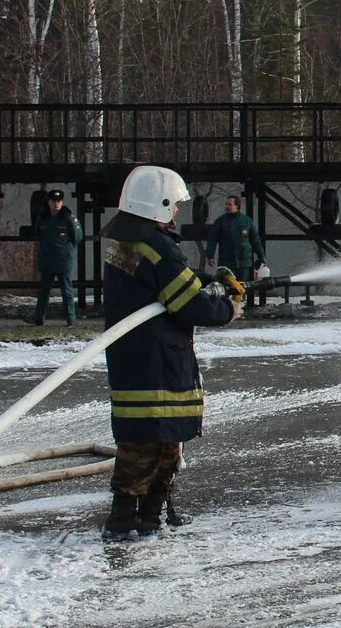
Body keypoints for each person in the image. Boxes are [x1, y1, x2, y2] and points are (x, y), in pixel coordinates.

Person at [102, 165, 240, 540]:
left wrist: (206, 278)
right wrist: (227, 309)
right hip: (160, 361)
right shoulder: (158, 246)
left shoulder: (128, 241)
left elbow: (160, 283)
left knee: (146, 439)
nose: (177, 211)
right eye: (174, 205)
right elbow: (189, 305)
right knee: (155, 444)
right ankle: (129, 519)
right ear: (158, 204)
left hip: (134, 358)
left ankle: (143, 518)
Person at [32, 189, 83, 326]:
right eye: (53, 201)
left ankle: (70, 319)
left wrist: (66, 250)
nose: (56, 204)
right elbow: (38, 235)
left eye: (59, 201)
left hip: (63, 259)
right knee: (44, 291)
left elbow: (77, 237)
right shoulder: (42, 218)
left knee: (66, 291)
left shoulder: (68, 218)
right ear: (49, 202)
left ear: (62, 202)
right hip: (47, 258)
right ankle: (39, 318)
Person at [205, 194, 264, 285]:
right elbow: (212, 239)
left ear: (237, 206)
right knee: (226, 287)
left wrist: (261, 256)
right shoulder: (220, 221)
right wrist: (210, 255)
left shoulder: (246, 221)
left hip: (244, 262)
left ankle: (241, 299)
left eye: (230, 204)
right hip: (226, 262)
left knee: (242, 287)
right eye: (226, 204)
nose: (227, 206)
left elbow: (255, 240)